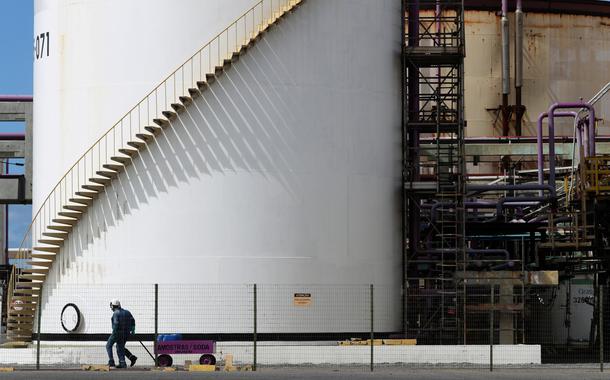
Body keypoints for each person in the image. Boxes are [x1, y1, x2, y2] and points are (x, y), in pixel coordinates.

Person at [106, 299, 138, 368]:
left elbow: (116, 323)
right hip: (126, 333)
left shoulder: (116, 313)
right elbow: (133, 321)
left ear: (112, 306)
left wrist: (114, 333)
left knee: (108, 345)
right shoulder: (127, 312)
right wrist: (133, 330)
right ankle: (126, 360)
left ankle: (111, 362)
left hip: (117, 332)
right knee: (120, 347)